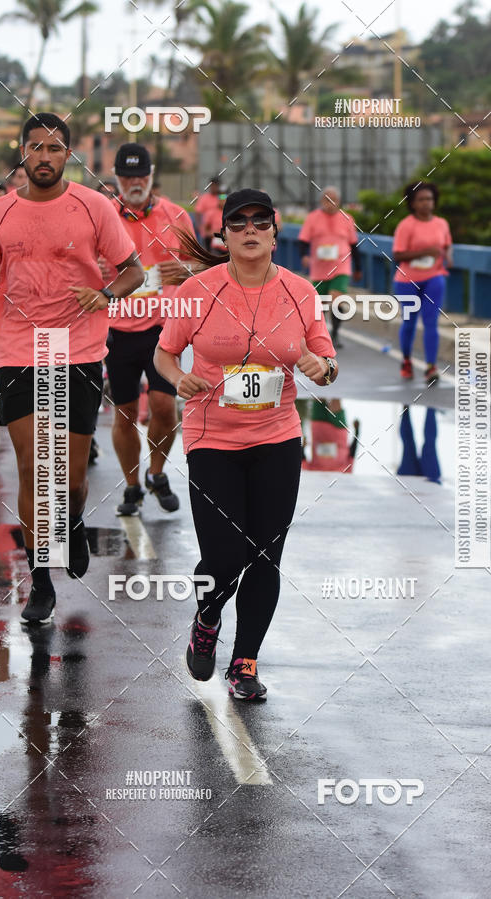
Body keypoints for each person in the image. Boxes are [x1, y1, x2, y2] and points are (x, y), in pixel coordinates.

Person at [154, 188, 338, 700]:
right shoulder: (198, 290)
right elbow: (165, 354)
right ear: (225, 235)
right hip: (212, 437)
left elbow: (327, 363)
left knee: (265, 554)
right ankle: (207, 617)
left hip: (277, 437)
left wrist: (320, 367)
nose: (250, 229)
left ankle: (245, 663)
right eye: (239, 222)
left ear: (276, 233)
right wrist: (178, 379)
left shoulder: (300, 292)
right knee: (223, 554)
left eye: (261, 221)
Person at [0, 112, 144, 625]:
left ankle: (73, 520)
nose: (44, 157)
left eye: (53, 148)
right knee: (32, 467)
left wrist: (105, 294)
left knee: (69, 478)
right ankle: (40, 579)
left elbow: (133, 271)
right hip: (19, 347)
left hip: (78, 348)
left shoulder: (93, 206)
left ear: (68, 154)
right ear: (22, 153)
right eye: (35, 147)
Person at [104, 143, 195, 516]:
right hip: (117, 329)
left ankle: (157, 473)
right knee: (124, 412)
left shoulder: (176, 216)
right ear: (117, 178)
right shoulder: (103, 216)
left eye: (140, 175)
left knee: (164, 407)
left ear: (151, 175)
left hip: (163, 327)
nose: (134, 182)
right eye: (127, 177)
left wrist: (187, 270)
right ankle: (132, 486)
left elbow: (203, 267)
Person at [392, 182, 453, 385]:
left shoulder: (441, 223)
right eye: (421, 200)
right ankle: (406, 360)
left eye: (429, 199)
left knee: (431, 322)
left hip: (434, 277)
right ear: (412, 203)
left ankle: (430, 366)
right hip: (407, 281)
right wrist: (425, 252)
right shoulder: (406, 225)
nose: (426, 203)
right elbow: (397, 255)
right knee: (409, 322)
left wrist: (448, 257)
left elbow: (447, 245)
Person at [298, 186, 361, 348]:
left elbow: (354, 245)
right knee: (321, 305)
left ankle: (335, 333)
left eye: (334, 200)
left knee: (336, 299)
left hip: (341, 265)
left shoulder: (347, 218)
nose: (330, 203)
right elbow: (303, 240)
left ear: (339, 201)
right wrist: (304, 255)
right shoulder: (312, 218)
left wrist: (358, 268)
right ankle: (322, 334)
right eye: (327, 199)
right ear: (321, 201)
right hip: (319, 268)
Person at [194, 177, 220, 249]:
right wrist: (199, 226)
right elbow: (198, 213)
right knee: (207, 250)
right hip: (207, 231)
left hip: (218, 230)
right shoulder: (204, 198)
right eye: (212, 185)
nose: (214, 188)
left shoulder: (221, 198)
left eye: (215, 186)